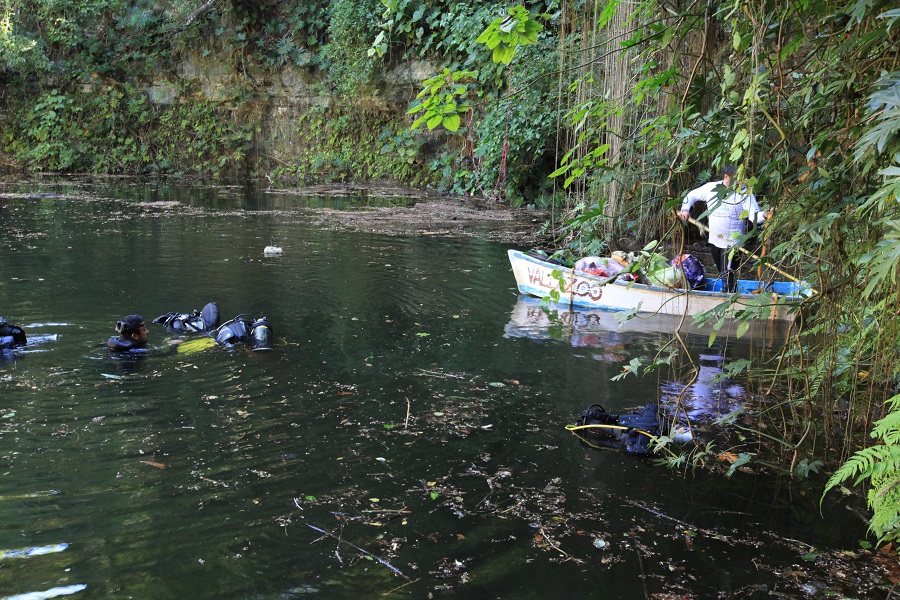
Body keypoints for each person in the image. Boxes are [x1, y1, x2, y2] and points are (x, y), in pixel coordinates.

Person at [678, 165, 769, 293]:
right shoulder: (712, 188)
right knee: (723, 271)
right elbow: (692, 195)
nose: (738, 183)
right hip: (715, 239)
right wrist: (685, 209)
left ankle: (727, 299)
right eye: (735, 180)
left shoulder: (744, 193)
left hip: (733, 243)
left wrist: (765, 215)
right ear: (726, 177)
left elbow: (755, 215)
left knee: (728, 273)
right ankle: (733, 292)